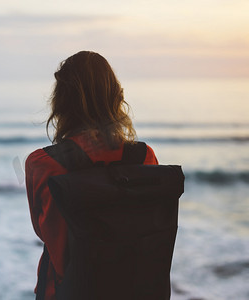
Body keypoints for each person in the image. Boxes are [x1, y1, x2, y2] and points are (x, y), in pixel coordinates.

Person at [25, 51, 158, 300]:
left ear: (61, 101)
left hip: (65, 292)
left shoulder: (43, 164)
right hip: (131, 290)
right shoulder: (144, 157)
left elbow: (44, 232)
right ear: (115, 97)